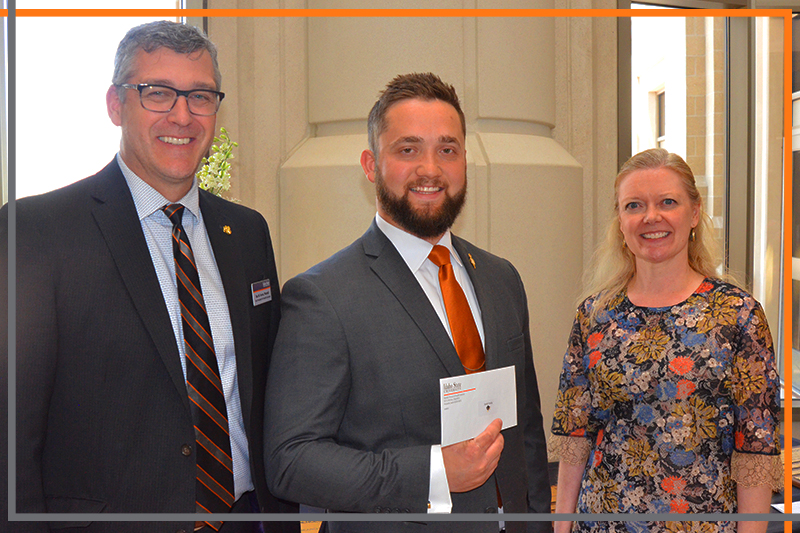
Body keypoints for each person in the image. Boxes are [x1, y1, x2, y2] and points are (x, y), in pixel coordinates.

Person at [4, 21, 298, 533]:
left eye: (200, 96)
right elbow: (12, 437)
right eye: (157, 93)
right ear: (115, 105)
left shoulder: (247, 233)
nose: (182, 115)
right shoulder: (36, 232)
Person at [264, 72, 552, 533]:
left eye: (447, 149)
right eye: (408, 149)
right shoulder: (323, 297)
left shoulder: (502, 279)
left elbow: (526, 433)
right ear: (371, 165)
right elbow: (292, 461)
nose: (430, 169)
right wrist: (434, 473)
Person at [550, 148, 780, 533]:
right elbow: (575, 438)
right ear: (620, 221)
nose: (651, 217)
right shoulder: (593, 316)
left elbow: (754, 455)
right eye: (634, 205)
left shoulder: (738, 316)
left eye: (667, 202)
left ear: (694, 213)